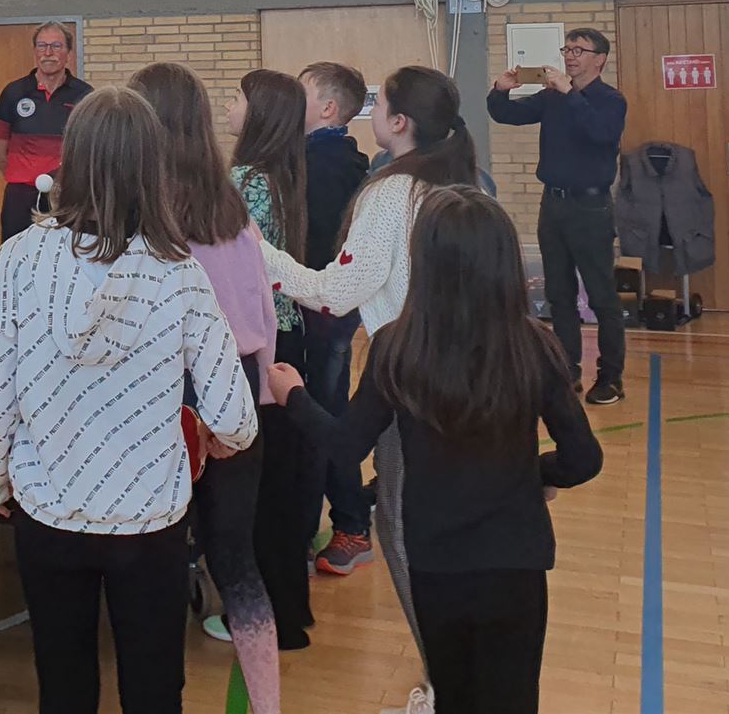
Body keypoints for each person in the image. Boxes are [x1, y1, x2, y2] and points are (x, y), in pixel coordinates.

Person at [0, 86, 256, 714]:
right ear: (153, 167)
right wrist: (220, 440)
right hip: (149, 518)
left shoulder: (17, 259)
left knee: (63, 686)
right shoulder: (178, 270)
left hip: (48, 509)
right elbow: (235, 416)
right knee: (155, 690)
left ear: (73, 159)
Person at [265, 186, 603, 714]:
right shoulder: (533, 344)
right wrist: (535, 473)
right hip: (515, 563)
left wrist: (295, 398)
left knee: (454, 695)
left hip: (436, 563)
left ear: (425, 262)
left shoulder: (397, 346)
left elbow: (345, 447)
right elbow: (584, 459)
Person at [256, 65, 478, 714]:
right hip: (461, 381)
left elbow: (338, 291)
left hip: (414, 387)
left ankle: (445, 688)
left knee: (404, 533)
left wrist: (260, 253)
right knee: (435, 537)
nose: (372, 111)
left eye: (381, 104)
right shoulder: (455, 180)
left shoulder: (392, 193)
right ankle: (451, 679)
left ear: (399, 122)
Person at [130, 63, 282, 706]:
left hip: (171, 393)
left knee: (162, 552)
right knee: (235, 556)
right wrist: (261, 393)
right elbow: (261, 310)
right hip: (238, 388)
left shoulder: (146, 218)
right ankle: (267, 702)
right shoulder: (231, 209)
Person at [222, 68, 316, 650]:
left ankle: (263, 616)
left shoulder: (243, 181)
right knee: (282, 480)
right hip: (289, 334)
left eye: (237, 98)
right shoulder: (283, 175)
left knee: (255, 487)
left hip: (257, 341)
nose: (228, 106)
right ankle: (288, 605)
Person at [487, 27, 629, 404]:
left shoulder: (610, 100)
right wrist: (500, 90)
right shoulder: (551, 97)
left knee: (601, 294)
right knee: (559, 293)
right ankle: (567, 369)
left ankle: (611, 377)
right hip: (553, 205)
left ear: (600, 59)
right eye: (568, 49)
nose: (570, 56)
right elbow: (506, 115)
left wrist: (571, 94)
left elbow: (601, 134)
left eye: (580, 51)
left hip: (591, 207)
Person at [296, 60, 373, 578]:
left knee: (325, 413)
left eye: (301, 93)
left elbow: (313, 246)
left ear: (327, 108)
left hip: (325, 311)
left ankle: (352, 525)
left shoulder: (327, 164)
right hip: (319, 306)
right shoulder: (322, 156)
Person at [0, 22, 92, 240]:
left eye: (56, 46)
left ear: (69, 53)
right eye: (42, 45)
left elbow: (90, 149)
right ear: (35, 51)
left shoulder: (85, 95)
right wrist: (24, 175)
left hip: (67, 195)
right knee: (15, 253)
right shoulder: (13, 93)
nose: (48, 52)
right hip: (20, 196)